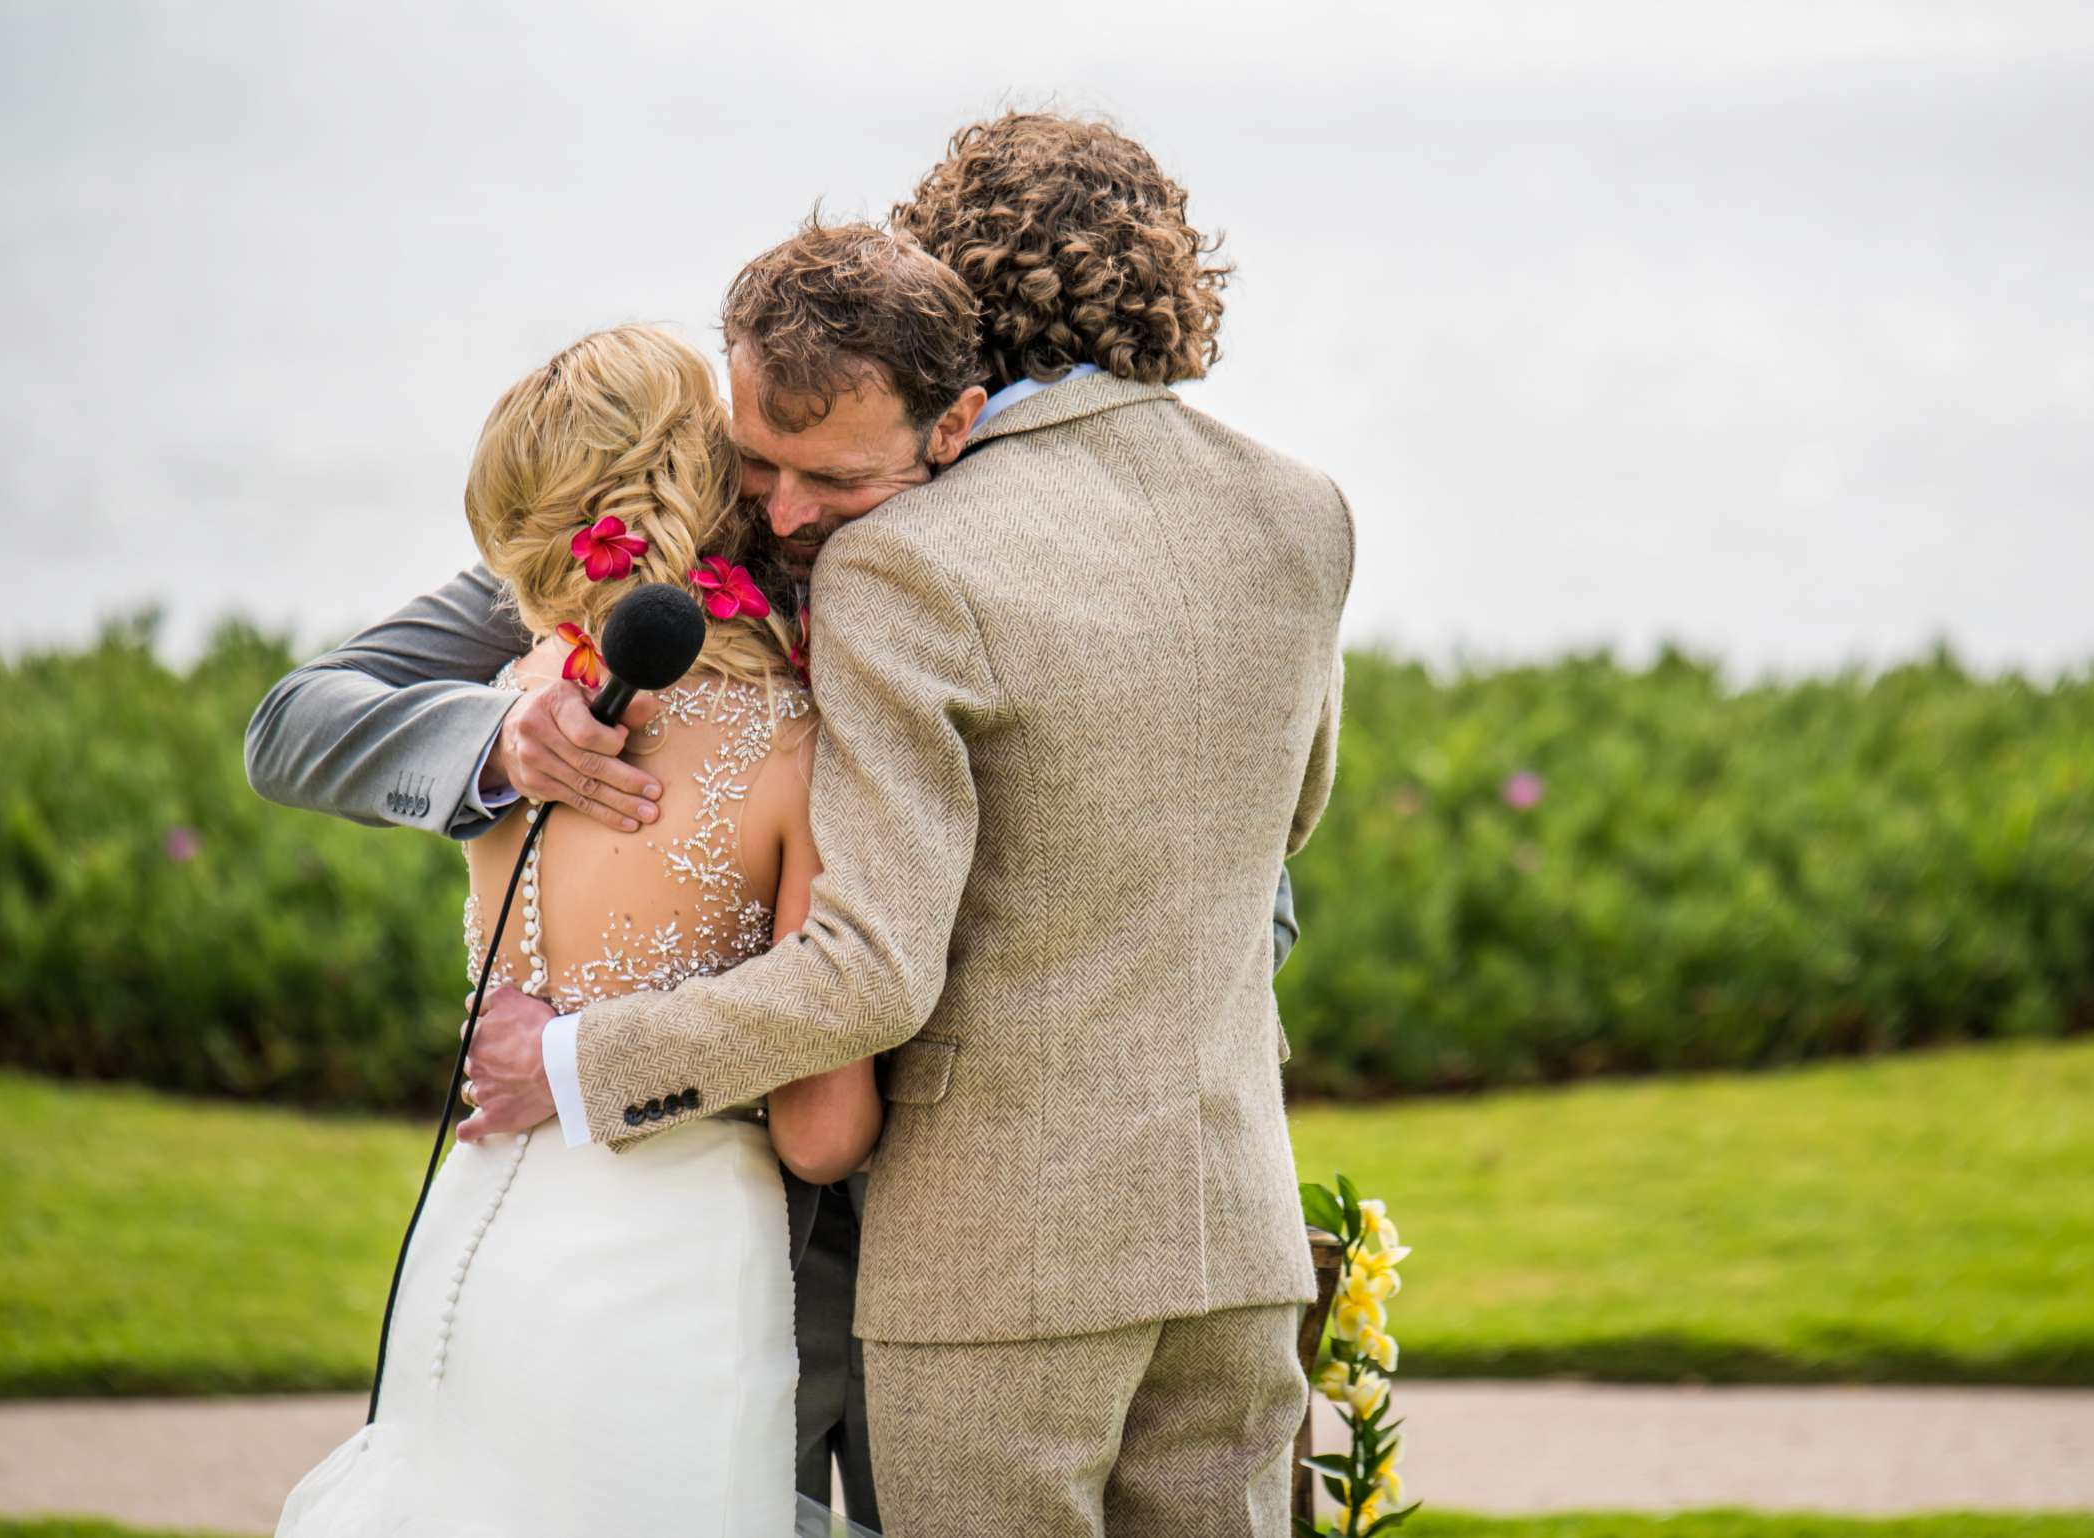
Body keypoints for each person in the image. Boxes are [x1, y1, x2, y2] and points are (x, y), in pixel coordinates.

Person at [246, 127, 1308, 1530]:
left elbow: (1231, 875)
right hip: (714, 1223)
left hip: (962, 1217)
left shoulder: (1002, 559)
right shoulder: (621, 554)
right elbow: (298, 721)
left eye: (839, 481)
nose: (789, 508)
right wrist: (500, 741)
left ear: (946, 415)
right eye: (759, 466)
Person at [271, 321, 884, 1537]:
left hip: (502, 1228)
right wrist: (494, 746)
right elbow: (294, 721)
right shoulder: (771, 744)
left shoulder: (541, 662)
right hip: (696, 1256)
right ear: (707, 457)